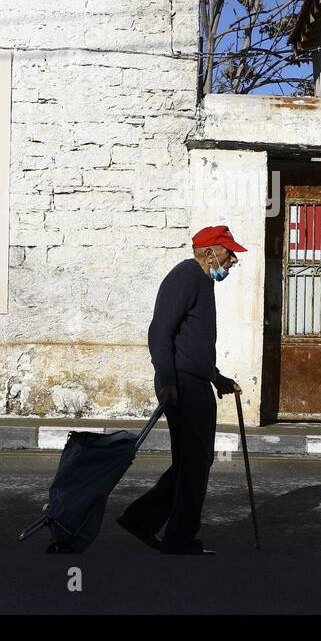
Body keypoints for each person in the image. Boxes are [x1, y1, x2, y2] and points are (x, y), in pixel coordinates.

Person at [117, 225, 245, 555]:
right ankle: (177, 537)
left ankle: (143, 520)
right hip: (183, 387)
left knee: (192, 462)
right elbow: (160, 333)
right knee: (196, 463)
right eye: (229, 254)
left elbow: (193, 345)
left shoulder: (202, 282)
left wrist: (217, 378)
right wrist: (168, 382)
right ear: (210, 252)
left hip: (196, 383)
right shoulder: (186, 277)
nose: (231, 261)